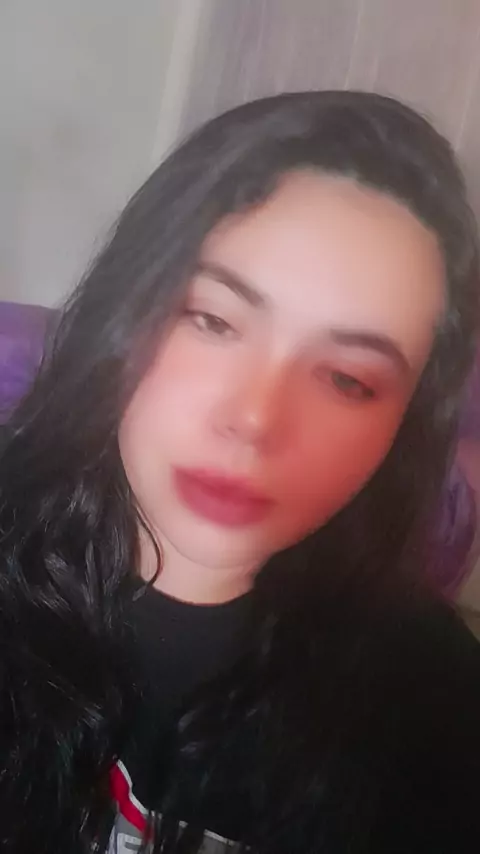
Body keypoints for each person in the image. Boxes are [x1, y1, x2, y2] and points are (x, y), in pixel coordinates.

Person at [1, 90, 480, 854]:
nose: (256, 419)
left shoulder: (439, 710)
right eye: (213, 320)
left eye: (348, 378)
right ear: (127, 308)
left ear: (404, 426)